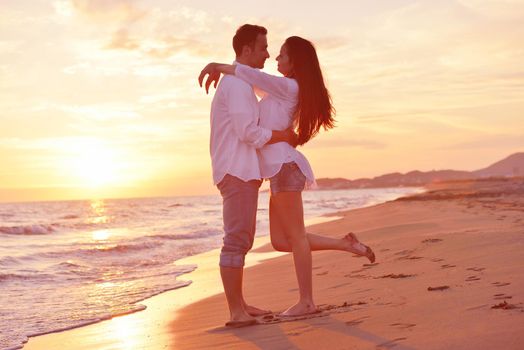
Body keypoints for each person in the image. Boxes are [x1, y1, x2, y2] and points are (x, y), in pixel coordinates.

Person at [199, 35, 376, 317]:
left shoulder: (287, 86)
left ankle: (307, 301)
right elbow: (249, 80)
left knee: (294, 237)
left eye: (281, 55)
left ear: (295, 63)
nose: (275, 58)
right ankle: (346, 244)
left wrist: (217, 66)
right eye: (273, 53)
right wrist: (226, 72)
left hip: (283, 166)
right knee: (282, 241)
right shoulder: (279, 90)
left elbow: (249, 73)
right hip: (276, 170)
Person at [201, 24, 297, 328]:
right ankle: (235, 312)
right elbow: (247, 132)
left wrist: (220, 67)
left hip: (241, 169)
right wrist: (282, 135)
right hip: (236, 169)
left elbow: (263, 89)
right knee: (236, 239)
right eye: (263, 47)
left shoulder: (239, 81)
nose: (268, 54)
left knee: (242, 238)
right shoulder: (237, 85)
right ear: (246, 50)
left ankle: (240, 305)